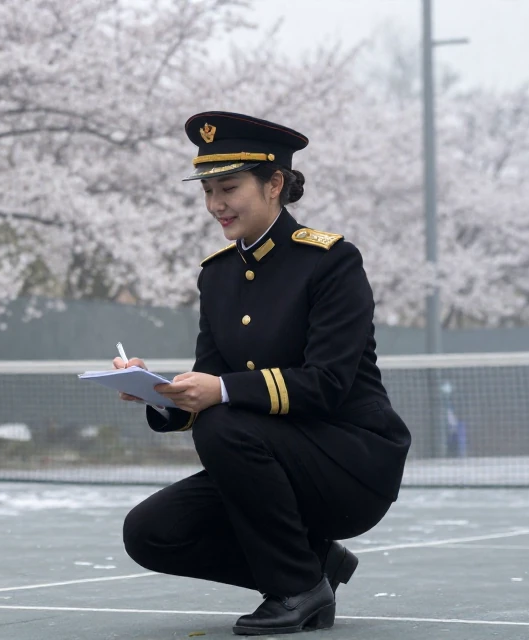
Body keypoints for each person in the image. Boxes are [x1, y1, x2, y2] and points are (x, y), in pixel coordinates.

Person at [113, 111, 412, 636]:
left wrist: (221, 391)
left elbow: (327, 384)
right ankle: (315, 568)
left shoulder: (332, 262)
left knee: (222, 420)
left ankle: (297, 588)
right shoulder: (217, 277)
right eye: (207, 190)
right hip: (270, 461)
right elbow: (208, 380)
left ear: (275, 184)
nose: (215, 205)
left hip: (351, 464)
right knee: (150, 532)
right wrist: (158, 391)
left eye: (228, 187)